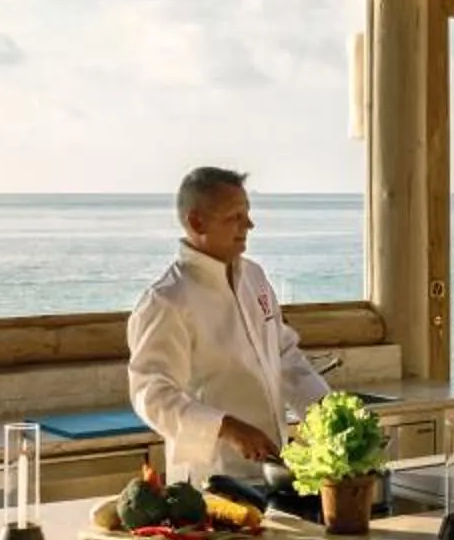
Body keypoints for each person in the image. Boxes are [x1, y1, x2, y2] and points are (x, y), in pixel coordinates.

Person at [126, 166, 330, 484]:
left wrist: (327, 412)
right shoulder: (168, 300)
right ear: (197, 222)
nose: (249, 224)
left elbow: (286, 356)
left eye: (247, 213)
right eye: (235, 216)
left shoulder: (255, 278)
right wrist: (227, 427)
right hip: (211, 479)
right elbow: (151, 394)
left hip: (273, 469)